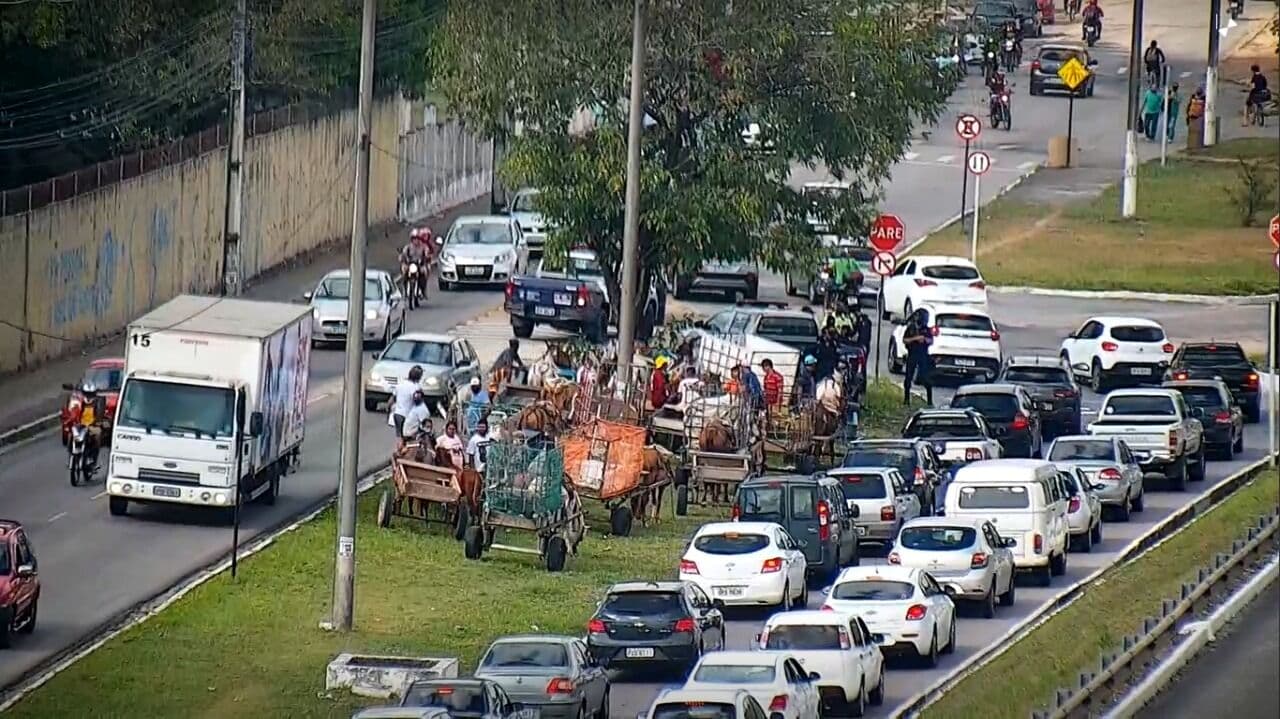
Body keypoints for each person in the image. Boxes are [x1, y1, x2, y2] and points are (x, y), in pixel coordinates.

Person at [902, 313, 933, 405]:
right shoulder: (911, 328)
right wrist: (915, 339)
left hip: (923, 355)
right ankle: (906, 399)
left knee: (926, 378)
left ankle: (930, 401)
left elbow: (931, 340)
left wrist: (924, 339)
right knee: (908, 378)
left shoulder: (926, 329)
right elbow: (904, 340)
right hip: (912, 354)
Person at [388, 365, 424, 441]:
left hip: (398, 414)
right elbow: (418, 401)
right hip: (408, 416)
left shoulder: (400, 385)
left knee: (400, 437)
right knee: (411, 437)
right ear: (419, 377)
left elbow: (391, 400)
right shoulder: (416, 387)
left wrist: (388, 411)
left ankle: (399, 451)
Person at [75, 382, 108, 466]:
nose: (88, 396)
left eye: (90, 394)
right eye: (86, 394)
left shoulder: (99, 401)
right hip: (81, 425)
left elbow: (100, 413)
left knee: (97, 437)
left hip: (92, 425)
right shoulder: (80, 401)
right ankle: (74, 452)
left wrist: (97, 422)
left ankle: (92, 458)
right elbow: (74, 412)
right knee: (71, 435)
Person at [398, 230, 432, 299]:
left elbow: (427, 254)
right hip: (410, 264)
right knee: (404, 273)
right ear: (411, 239)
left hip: (420, 265)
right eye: (414, 239)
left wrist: (427, 257)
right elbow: (403, 254)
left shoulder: (423, 247)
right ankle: (405, 290)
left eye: (417, 239)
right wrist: (402, 258)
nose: (415, 240)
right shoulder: (408, 247)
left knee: (424, 273)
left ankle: (423, 290)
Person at [399, 390, 433, 455]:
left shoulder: (423, 410)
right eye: (415, 397)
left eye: (418, 397)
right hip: (407, 437)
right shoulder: (415, 407)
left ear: (422, 398)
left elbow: (426, 426)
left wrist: (418, 435)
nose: (416, 398)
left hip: (414, 439)